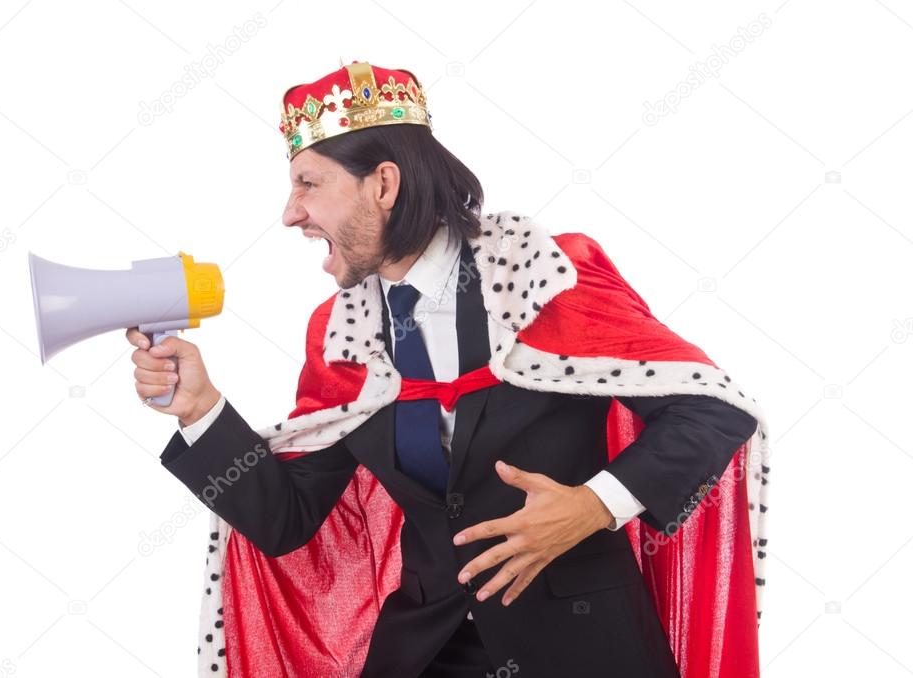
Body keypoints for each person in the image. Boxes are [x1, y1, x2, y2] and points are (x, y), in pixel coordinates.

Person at [127, 61, 769, 678]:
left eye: (308, 184)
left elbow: (711, 409)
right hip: (425, 651)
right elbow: (284, 521)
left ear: (382, 184)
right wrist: (200, 408)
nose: (291, 213)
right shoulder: (345, 337)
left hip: (584, 644)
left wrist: (594, 506)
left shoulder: (538, 275)